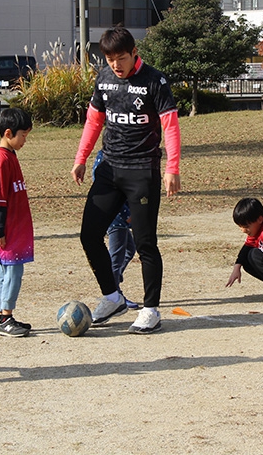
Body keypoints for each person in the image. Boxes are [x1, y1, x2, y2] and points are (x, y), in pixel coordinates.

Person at [71, 26, 181, 334]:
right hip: (109, 169)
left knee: (146, 242)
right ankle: (112, 296)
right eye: (110, 59)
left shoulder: (154, 81)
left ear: (135, 54)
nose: (116, 65)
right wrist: (81, 159)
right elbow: (94, 121)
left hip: (142, 171)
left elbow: (170, 126)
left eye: (121, 58)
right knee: (89, 235)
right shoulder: (104, 79)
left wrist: (172, 168)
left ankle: (150, 309)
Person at [0, 108, 35, 337]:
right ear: (8, 133)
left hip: (15, 227)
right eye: (23, 135)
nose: (25, 140)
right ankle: (5, 317)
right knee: (12, 272)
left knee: (8, 271)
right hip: (7, 230)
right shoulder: (0, 160)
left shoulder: (9, 156)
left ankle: (3, 315)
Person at [93, 149, 139, 310]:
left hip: (125, 217)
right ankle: (115, 295)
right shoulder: (105, 158)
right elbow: (104, 187)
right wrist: (126, 213)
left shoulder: (127, 157)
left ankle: (115, 278)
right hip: (116, 218)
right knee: (116, 257)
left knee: (129, 251)